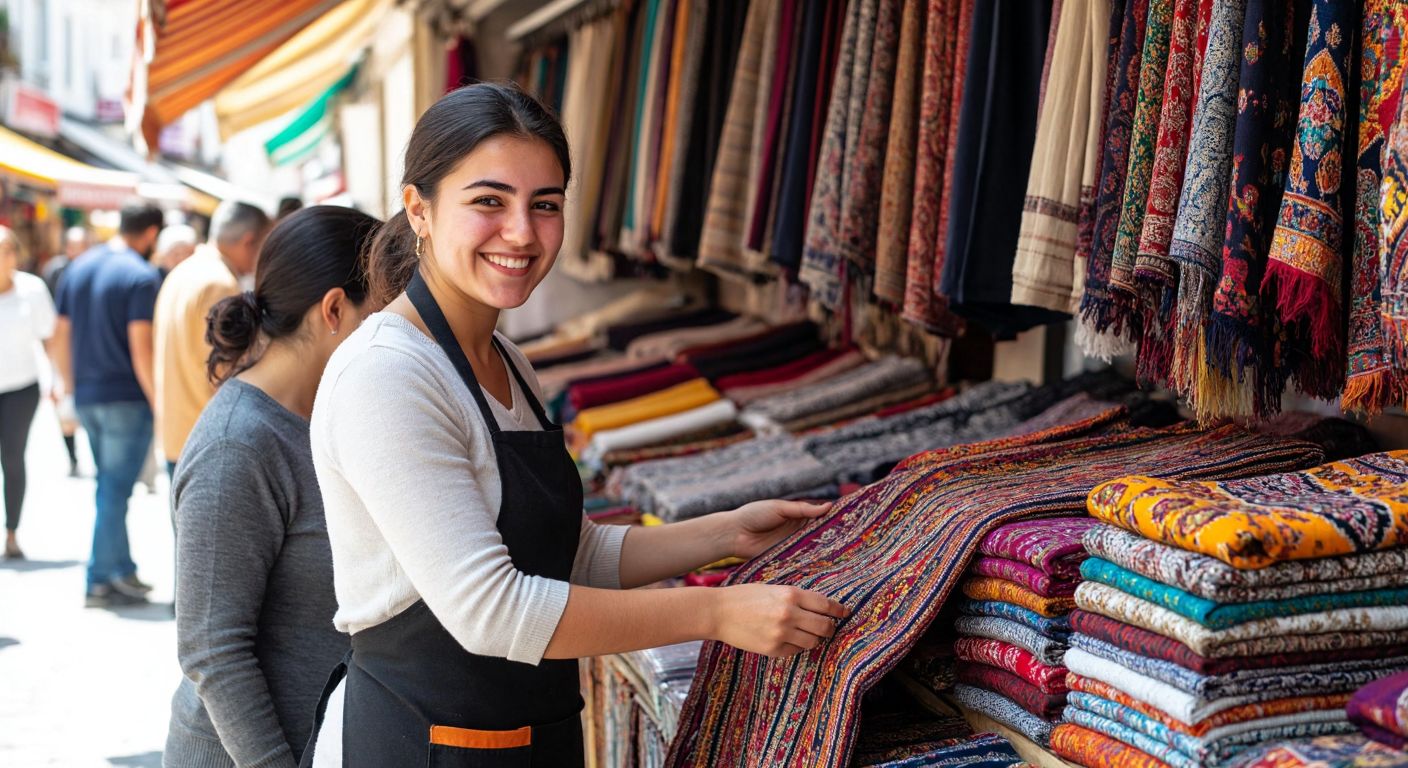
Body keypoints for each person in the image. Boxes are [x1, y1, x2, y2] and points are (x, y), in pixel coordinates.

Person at [304, 83, 848, 767]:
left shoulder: (506, 361)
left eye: (546, 205)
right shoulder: (387, 376)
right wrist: (715, 613)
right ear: (419, 209)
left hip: (529, 739)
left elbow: (569, 554)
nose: (523, 233)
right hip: (422, 745)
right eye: (488, 202)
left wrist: (725, 533)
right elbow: (492, 609)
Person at [164, 206, 378, 768]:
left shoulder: (329, 415)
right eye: (380, 318)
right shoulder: (237, 445)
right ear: (334, 309)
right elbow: (211, 650)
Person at [52, 203, 164, 607]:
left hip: (88, 394)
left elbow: (59, 334)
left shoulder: (78, 267)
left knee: (108, 486)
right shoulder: (140, 275)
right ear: (150, 233)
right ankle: (100, 578)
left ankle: (121, 569)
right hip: (127, 398)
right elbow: (141, 346)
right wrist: (159, 402)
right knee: (114, 490)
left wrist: (67, 387)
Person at [154, 202, 269, 474]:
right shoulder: (219, 283)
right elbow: (225, 368)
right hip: (207, 437)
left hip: (177, 433)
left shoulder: (183, 271)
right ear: (249, 241)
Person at [0, 227, 57, 560]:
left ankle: (11, 532)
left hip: (21, 387)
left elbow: (49, 338)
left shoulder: (32, 289)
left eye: (8, 250)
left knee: (12, 458)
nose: (4, 257)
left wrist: (57, 380)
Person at [45, 226, 88, 476]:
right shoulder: (56, 271)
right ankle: (72, 456)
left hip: (85, 344)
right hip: (64, 341)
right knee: (64, 408)